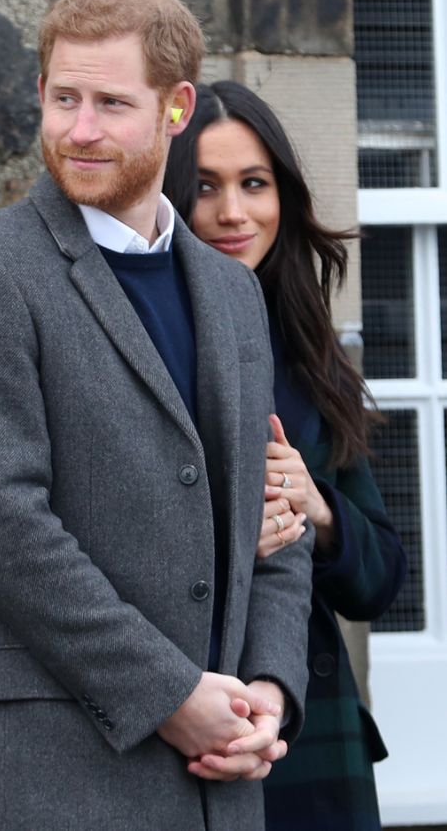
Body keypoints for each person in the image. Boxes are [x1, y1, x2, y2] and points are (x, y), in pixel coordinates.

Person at [0, 0, 314, 831]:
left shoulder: (233, 292)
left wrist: (270, 691)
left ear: (176, 108)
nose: (79, 130)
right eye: (62, 98)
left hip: (225, 786)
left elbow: (274, 517)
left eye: (110, 103)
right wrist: (171, 695)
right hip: (56, 785)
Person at [163, 80, 407, 831]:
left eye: (254, 184)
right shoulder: (138, 340)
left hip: (314, 732)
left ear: (284, 197)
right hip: (178, 721)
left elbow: (380, 580)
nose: (232, 213)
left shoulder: (311, 356)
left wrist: (319, 510)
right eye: (204, 187)